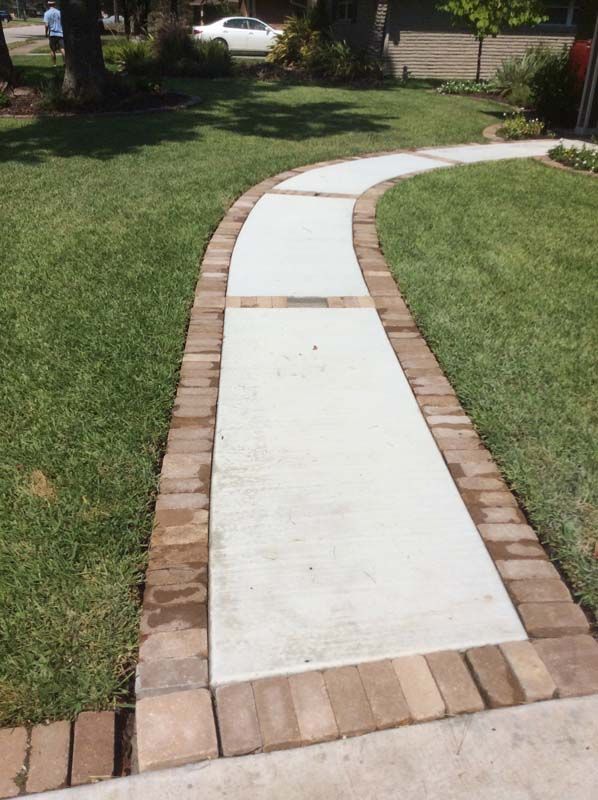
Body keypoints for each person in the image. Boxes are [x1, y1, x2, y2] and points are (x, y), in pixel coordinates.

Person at [43, 0, 65, 66]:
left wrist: (46, 33)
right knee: (62, 49)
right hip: (60, 33)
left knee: (52, 50)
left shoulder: (46, 13)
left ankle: (54, 64)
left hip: (52, 34)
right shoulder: (59, 12)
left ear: (48, 5)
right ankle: (65, 63)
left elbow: (46, 25)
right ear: (55, 4)